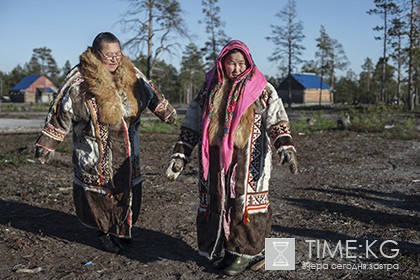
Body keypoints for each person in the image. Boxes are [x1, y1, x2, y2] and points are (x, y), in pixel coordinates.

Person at [35, 32, 176, 254]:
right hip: (95, 151)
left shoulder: (131, 74)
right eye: (108, 55)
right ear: (95, 54)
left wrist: (166, 112)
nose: (113, 59)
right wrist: (47, 144)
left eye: (117, 55)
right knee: (100, 196)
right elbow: (61, 111)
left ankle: (122, 229)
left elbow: (151, 92)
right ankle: (104, 233)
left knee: (128, 191)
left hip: (128, 148)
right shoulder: (79, 81)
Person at [166, 40, 298, 276]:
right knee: (221, 203)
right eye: (231, 63)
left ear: (248, 63)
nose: (236, 69)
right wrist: (181, 154)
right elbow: (193, 123)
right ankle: (230, 251)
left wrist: (285, 148)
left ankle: (247, 254)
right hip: (217, 160)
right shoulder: (210, 88)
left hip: (250, 158)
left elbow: (277, 119)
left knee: (246, 204)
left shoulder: (262, 88)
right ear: (222, 63)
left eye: (241, 64)